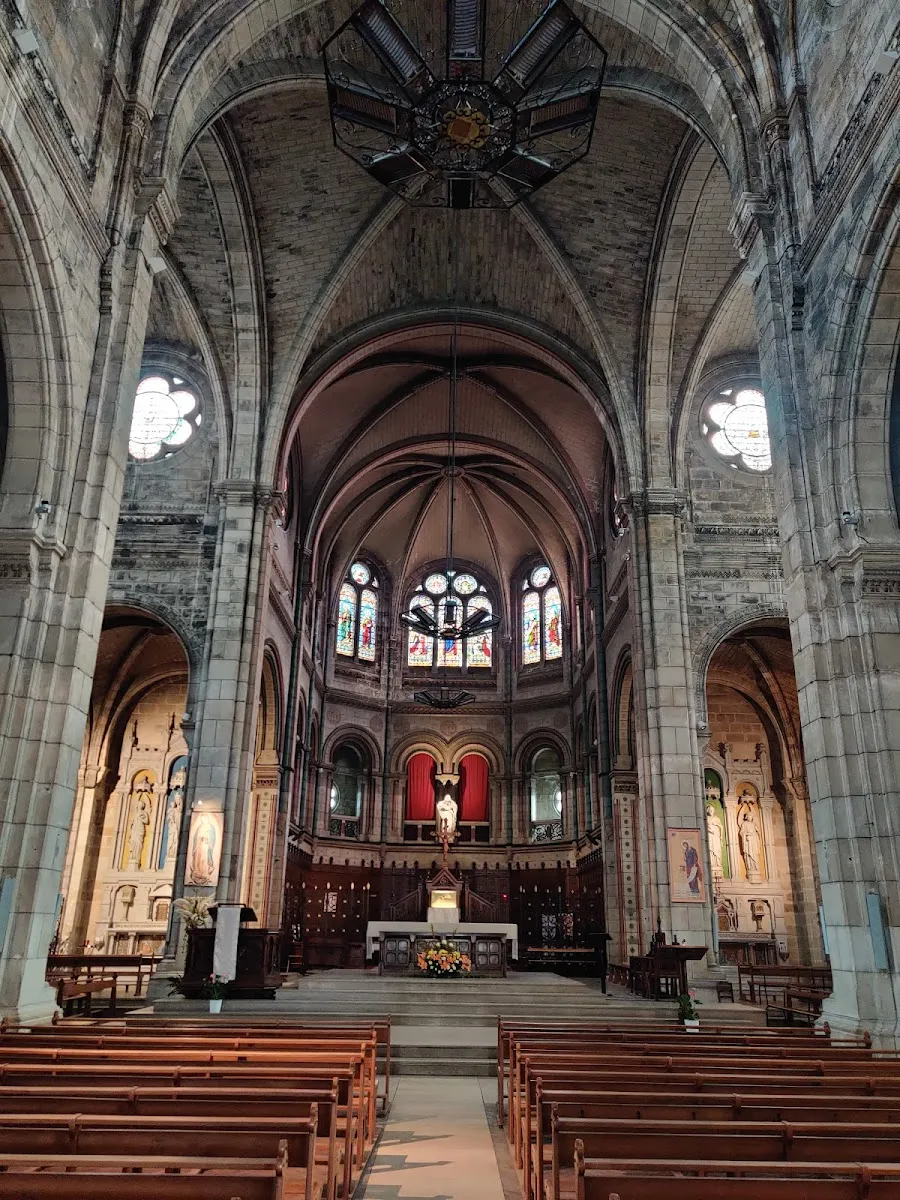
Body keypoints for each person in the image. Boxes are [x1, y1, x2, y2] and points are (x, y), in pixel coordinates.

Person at [706, 802, 725, 875]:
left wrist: (720, 838)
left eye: (712, 810)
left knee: (717, 850)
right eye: (710, 810)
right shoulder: (706, 818)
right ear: (707, 811)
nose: (711, 811)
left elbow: (721, 827)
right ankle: (712, 864)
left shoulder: (717, 818)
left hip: (716, 837)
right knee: (710, 850)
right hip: (710, 837)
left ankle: (718, 864)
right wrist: (710, 829)